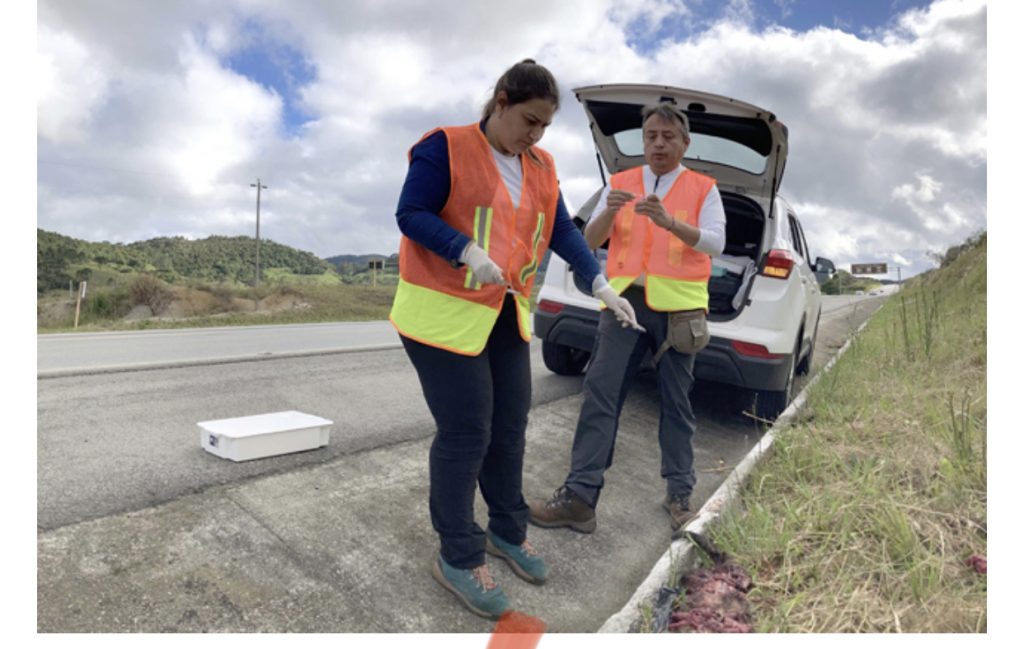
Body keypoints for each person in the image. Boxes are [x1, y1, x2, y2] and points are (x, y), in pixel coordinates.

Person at [390, 59, 640, 620]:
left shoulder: (542, 165)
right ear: (500, 102)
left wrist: (599, 282)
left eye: (545, 127)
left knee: (509, 428)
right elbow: (411, 213)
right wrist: (466, 250)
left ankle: (506, 530)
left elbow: (560, 230)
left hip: (502, 313)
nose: (535, 135)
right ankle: (458, 553)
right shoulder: (445, 146)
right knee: (467, 431)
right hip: (440, 313)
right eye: (529, 121)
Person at [529, 102, 726, 535]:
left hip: (679, 311)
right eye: (651, 135)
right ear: (644, 139)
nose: (658, 143)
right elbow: (587, 241)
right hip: (623, 306)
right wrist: (608, 212)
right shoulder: (619, 183)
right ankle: (580, 498)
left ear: (684, 143)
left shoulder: (702, 188)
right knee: (600, 395)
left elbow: (715, 242)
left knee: (676, 405)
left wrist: (670, 222)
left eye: (668, 136)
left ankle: (680, 496)